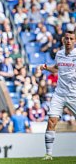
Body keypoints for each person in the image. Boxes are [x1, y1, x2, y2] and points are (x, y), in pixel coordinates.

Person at [39, 31, 76, 160]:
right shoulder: (59, 54)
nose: (69, 41)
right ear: (63, 40)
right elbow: (56, 68)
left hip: (74, 95)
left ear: (75, 41)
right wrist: (46, 67)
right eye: (67, 38)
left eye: (71, 38)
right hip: (59, 94)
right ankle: (48, 154)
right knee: (51, 121)